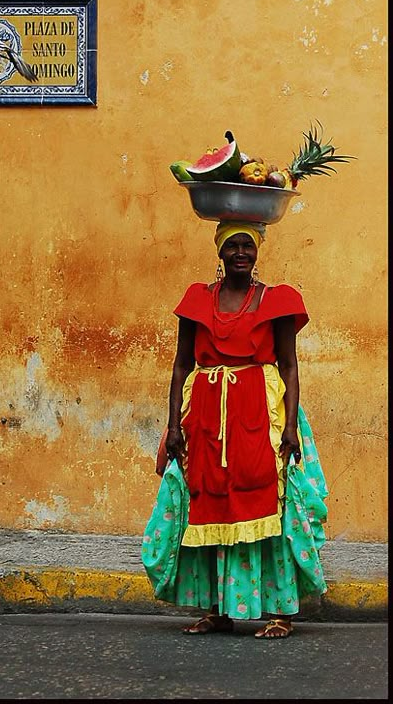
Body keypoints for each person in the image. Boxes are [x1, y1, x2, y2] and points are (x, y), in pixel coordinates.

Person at [142, 221, 328, 638]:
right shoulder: (197, 300)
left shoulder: (276, 301)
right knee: (208, 503)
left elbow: (289, 365)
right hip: (205, 418)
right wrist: (174, 425)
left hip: (259, 415)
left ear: (257, 251)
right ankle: (217, 609)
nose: (241, 253)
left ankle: (281, 613)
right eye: (232, 246)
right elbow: (181, 364)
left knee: (267, 503)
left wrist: (291, 427)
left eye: (248, 245)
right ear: (220, 253)